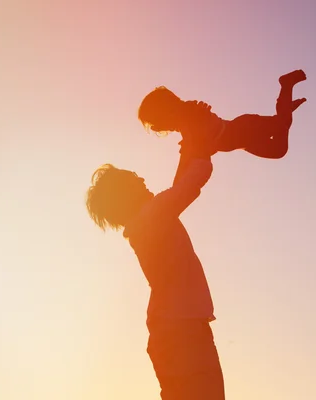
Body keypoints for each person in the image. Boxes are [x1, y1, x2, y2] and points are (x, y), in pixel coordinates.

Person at [85, 134, 224, 399]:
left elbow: (179, 185)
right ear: (126, 194)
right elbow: (194, 179)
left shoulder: (146, 220)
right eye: (134, 179)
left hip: (171, 334)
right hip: (183, 334)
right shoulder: (155, 214)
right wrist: (205, 134)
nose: (142, 179)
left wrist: (189, 142)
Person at [138, 69, 307, 160]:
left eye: (158, 124)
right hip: (244, 142)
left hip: (243, 127)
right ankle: (286, 107)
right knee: (279, 148)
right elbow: (200, 144)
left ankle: (286, 86)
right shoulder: (186, 123)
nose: (159, 129)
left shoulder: (189, 114)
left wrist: (187, 149)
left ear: (168, 111)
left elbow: (196, 139)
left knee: (282, 125)